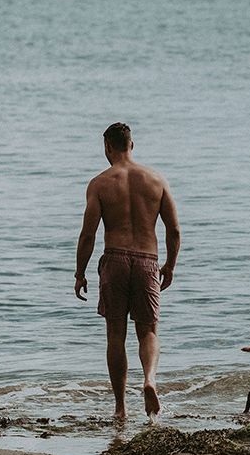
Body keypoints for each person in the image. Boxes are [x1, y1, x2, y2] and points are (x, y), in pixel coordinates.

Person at [75, 123, 180, 421]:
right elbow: (173, 229)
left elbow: (88, 234)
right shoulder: (156, 180)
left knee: (115, 335)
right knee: (147, 330)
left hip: (115, 260)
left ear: (107, 147)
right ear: (132, 145)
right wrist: (170, 265)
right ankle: (149, 379)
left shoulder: (100, 183)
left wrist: (79, 272)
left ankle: (120, 407)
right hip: (147, 259)